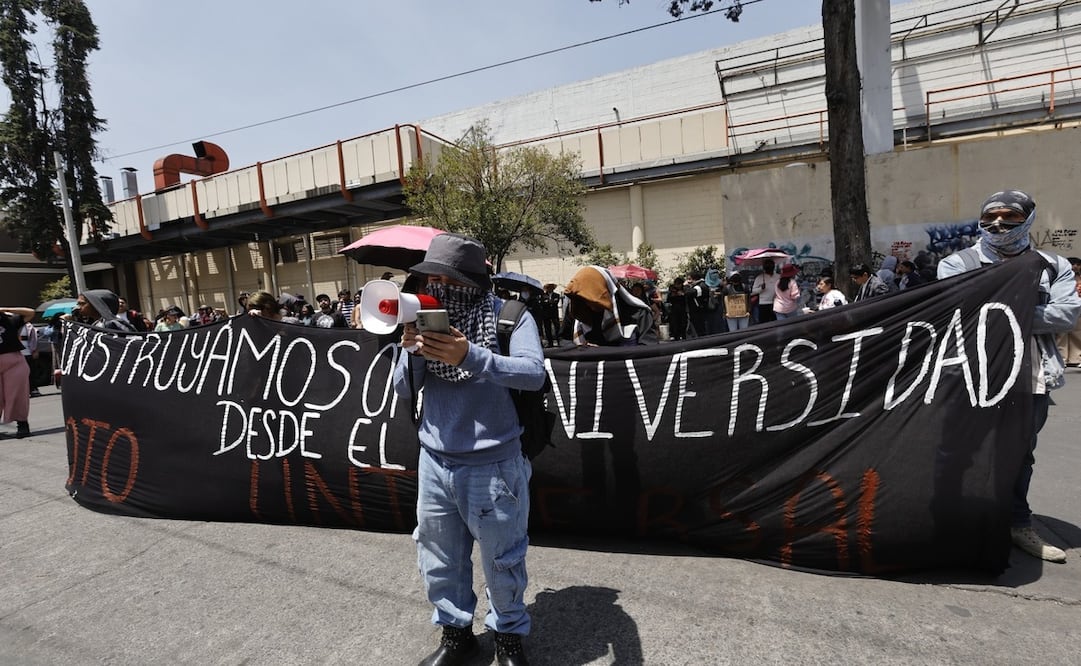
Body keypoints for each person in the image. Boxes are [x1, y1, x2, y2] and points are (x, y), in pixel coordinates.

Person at [391, 233, 544, 666]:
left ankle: (509, 638)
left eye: (449, 279)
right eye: (431, 278)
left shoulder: (509, 316)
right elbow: (403, 388)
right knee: (439, 557)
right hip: (435, 460)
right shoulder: (421, 320)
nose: (439, 287)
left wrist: (470, 356)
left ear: (474, 282)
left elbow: (533, 374)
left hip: (494, 464)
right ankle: (457, 635)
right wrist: (414, 353)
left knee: (503, 560)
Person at [938, 190, 1081, 563]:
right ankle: (950, 520)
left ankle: (1017, 523)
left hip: (1032, 377)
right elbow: (961, 316)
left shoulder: (1052, 266)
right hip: (970, 376)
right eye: (991, 218)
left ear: (1028, 219)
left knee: (1021, 453)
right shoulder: (958, 263)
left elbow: (1066, 316)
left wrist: (999, 313)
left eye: (1010, 217)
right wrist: (1026, 310)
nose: (998, 225)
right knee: (959, 450)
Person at [563, 265, 657, 347]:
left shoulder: (639, 314)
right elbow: (564, 339)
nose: (590, 305)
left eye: (593, 298)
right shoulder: (576, 311)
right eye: (584, 299)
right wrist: (579, 349)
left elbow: (649, 348)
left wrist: (602, 352)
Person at [1, 306, 35, 438]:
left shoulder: (9, 320)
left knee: (18, 394)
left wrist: (4, 309)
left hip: (14, 362)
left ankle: (22, 424)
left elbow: (30, 312)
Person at [1056, 256, 1081, 367]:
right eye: (1073, 264)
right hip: (1064, 306)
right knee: (1062, 333)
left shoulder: (1079, 277)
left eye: (1077, 264)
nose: (1075, 266)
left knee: (1077, 332)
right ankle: (1062, 357)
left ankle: (1075, 357)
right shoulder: (1061, 277)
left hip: (1078, 306)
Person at [71, 290, 136, 332]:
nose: (78, 308)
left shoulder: (113, 324)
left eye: (82, 304)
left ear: (97, 304)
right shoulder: (95, 323)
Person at [751, 259, 780, 323]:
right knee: (764, 323)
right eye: (768, 266)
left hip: (776, 303)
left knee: (776, 323)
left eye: (771, 266)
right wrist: (761, 288)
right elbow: (753, 291)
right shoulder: (759, 277)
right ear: (764, 268)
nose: (770, 267)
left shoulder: (778, 277)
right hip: (763, 304)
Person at [19, 319, 40, 397]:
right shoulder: (12, 326)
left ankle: (33, 389)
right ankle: (22, 391)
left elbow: (35, 339)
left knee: (31, 371)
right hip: (17, 353)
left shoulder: (29, 326)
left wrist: (35, 350)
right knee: (20, 374)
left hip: (28, 351)